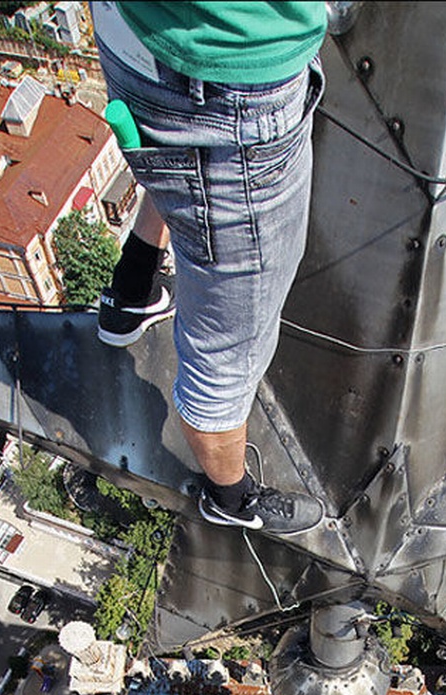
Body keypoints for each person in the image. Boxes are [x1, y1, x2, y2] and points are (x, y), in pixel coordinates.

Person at [90, 1, 328, 537]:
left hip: (141, 40)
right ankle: (230, 497)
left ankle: (134, 287)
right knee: (228, 361)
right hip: (229, 82)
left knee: (179, 169)